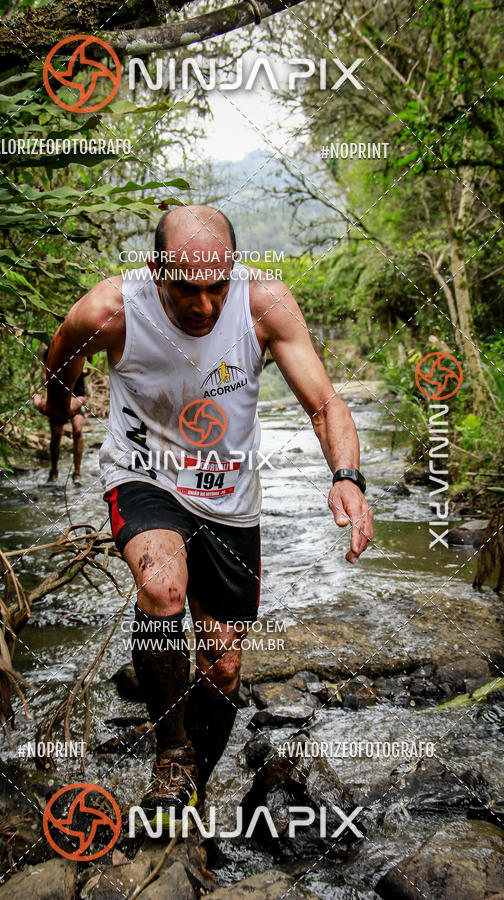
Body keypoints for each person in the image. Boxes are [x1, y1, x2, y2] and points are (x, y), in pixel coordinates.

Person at [34, 205, 373, 824]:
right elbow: (62, 359)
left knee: (223, 664)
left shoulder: (263, 305)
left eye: (217, 286)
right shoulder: (109, 310)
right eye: (186, 289)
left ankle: (191, 795)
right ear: (154, 269)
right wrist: (62, 403)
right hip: (144, 476)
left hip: (229, 497)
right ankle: (170, 751)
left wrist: (347, 478)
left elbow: (325, 402)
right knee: (162, 587)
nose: (205, 305)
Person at [33, 343, 89, 485]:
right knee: (56, 434)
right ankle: (54, 471)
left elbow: (89, 367)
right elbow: (44, 373)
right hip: (57, 395)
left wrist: (83, 371)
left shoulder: (81, 347)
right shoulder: (50, 351)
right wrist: (47, 390)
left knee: (78, 430)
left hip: (76, 393)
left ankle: (77, 473)